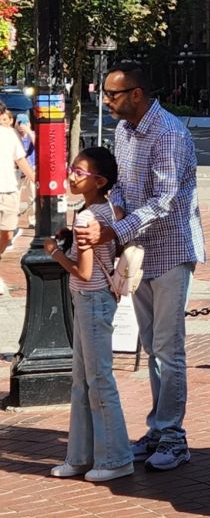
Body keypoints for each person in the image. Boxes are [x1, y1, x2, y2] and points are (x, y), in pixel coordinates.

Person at [77, 60, 205, 472]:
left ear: (137, 94)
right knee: (151, 347)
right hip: (138, 253)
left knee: (169, 350)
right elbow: (128, 191)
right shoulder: (124, 131)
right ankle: (157, 429)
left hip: (170, 251)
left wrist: (113, 232)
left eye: (113, 94)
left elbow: (165, 202)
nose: (107, 100)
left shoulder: (169, 134)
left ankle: (173, 437)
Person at [44, 148, 133, 483]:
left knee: (98, 381)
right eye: (72, 169)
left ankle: (116, 459)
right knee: (83, 381)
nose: (71, 176)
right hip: (98, 299)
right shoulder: (108, 208)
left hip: (90, 298)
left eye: (79, 172)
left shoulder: (86, 218)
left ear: (99, 181)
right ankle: (81, 457)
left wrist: (56, 254)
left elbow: (82, 272)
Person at [0, 108, 34, 292]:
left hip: (8, 190)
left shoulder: (9, 135)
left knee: (7, 234)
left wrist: (36, 180)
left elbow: (21, 160)